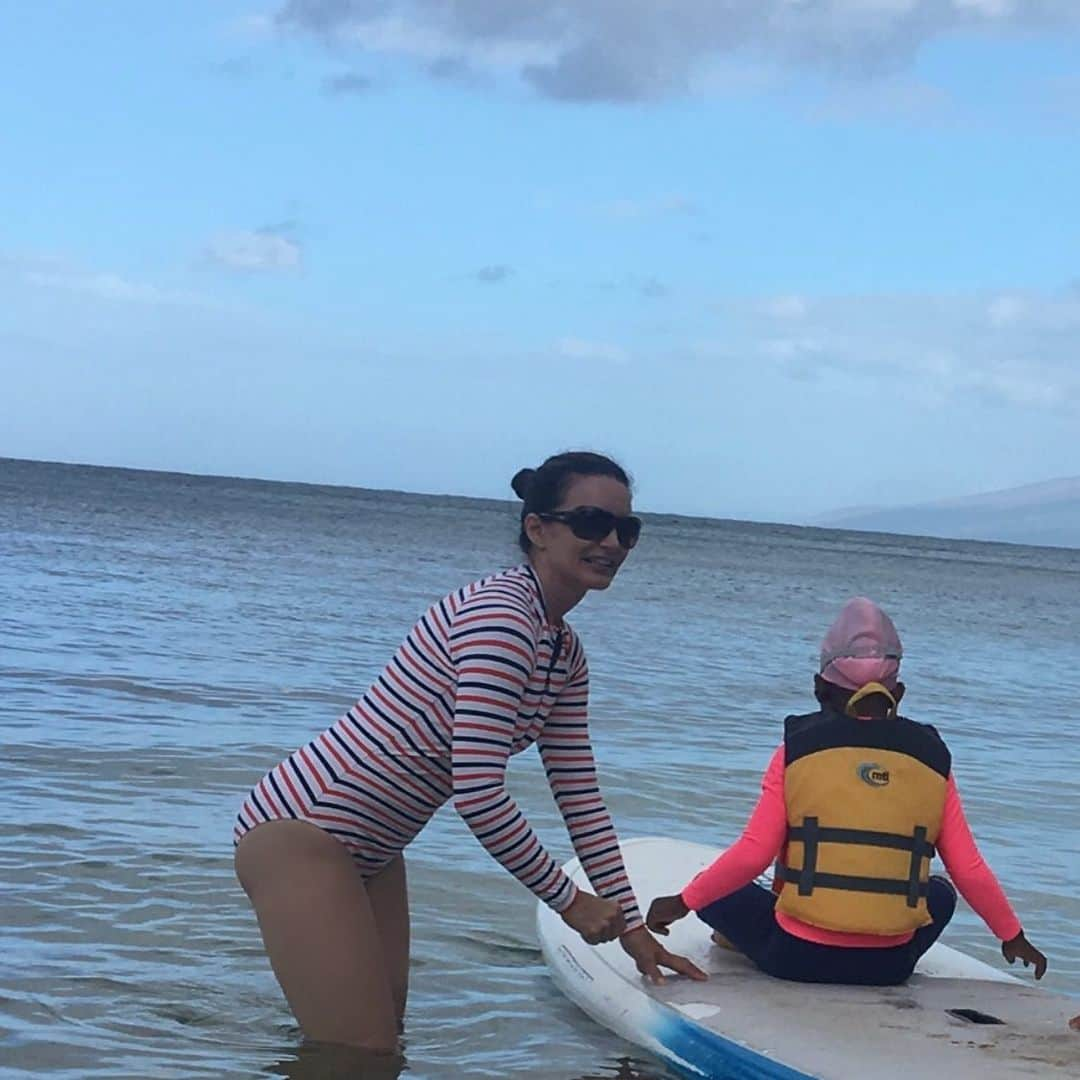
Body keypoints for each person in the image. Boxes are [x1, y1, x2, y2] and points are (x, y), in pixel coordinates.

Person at [234, 450, 705, 1052]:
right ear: (537, 528)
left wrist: (632, 930)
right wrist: (569, 902)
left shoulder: (562, 650)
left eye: (626, 529)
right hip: (301, 834)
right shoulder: (501, 618)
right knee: (361, 1054)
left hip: (374, 851)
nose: (611, 541)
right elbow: (479, 795)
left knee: (378, 1043)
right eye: (590, 523)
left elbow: (581, 799)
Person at [646, 597, 1047, 987]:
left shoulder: (794, 752)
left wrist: (681, 902)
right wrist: (1011, 935)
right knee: (940, 892)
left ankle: (739, 939)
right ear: (899, 694)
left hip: (795, 957)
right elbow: (969, 868)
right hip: (889, 967)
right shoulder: (932, 759)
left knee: (713, 890)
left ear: (818, 688)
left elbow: (753, 854)